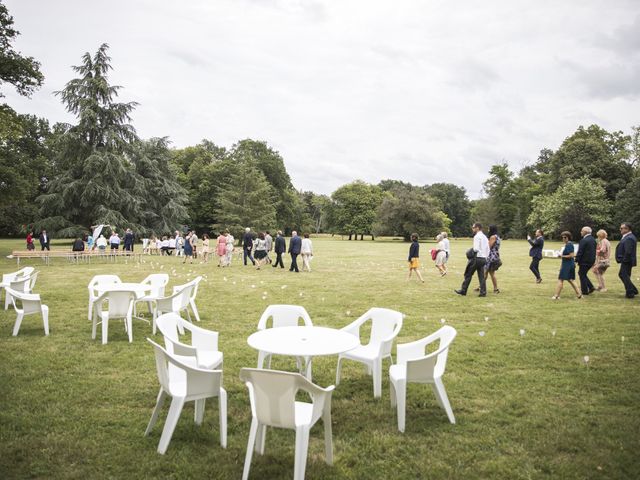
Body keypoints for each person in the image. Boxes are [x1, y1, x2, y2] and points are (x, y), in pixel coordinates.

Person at [455, 223, 489, 297]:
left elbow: (476, 249)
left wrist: (469, 251)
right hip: (483, 258)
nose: (472, 229)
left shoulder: (477, 236)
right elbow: (487, 249)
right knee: (481, 276)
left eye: (473, 227)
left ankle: (463, 290)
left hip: (476, 258)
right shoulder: (485, 237)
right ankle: (483, 292)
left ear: (477, 228)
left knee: (468, 274)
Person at [552, 231, 582, 299]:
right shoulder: (568, 244)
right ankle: (579, 294)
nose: (563, 238)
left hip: (568, 265)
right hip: (567, 264)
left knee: (561, 279)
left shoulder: (569, 244)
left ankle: (556, 295)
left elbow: (571, 255)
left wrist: (561, 256)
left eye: (565, 237)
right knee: (571, 280)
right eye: (562, 237)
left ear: (568, 237)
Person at [615, 222, 638, 299]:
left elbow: (628, 251)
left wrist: (624, 260)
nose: (620, 229)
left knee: (624, 275)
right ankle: (633, 290)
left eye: (622, 228)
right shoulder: (627, 236)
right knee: (624, 275)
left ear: (627, 229)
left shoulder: (629, 238)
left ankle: (630, 293)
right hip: (626, 260)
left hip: (627, 261)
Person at [575, 226, 597, 295]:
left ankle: (585, 291)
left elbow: (580, 252)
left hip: (584, 261)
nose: (580, 232)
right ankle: (591, 287)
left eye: (582, 231)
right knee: (582, 274)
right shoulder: (593, 239)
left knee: (582, 274)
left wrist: (576, 260)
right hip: (591, 260)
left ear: (585, 232)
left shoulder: (584, 240)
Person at [483, 225, 502, 293]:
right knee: (488, 272)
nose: (488, 230)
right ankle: (481, 286)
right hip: (496, 255)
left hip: (491, 256)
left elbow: (489, 246)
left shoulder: (493, 237)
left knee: (487, 272)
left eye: (489, 229)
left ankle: (495, 288)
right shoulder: (498, 237)